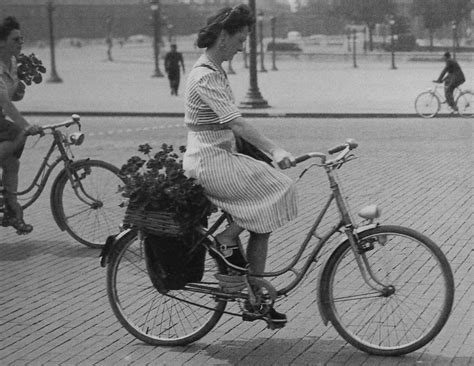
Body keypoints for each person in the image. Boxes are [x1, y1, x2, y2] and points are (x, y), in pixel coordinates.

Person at [182, 4, 297, 326]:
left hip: (220, 156)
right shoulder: (205, 75)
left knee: (265, 222)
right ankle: (229, 236)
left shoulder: (215, 71)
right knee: (279, 187)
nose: (243, 46)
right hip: (208, 161)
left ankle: (254, 297)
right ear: (223, 36)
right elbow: (237, 124)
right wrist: (274, 151)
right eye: (241, 38)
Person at [0, 16, 42, 234]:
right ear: (2, 42)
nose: (20, 43)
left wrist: (19, 91)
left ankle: (11, 211)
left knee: (12, 165)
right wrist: (26, 125)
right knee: (18, 132)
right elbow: (4, 103)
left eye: (21, 39)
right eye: (15, 40)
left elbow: (11, 96)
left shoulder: (13, 63)